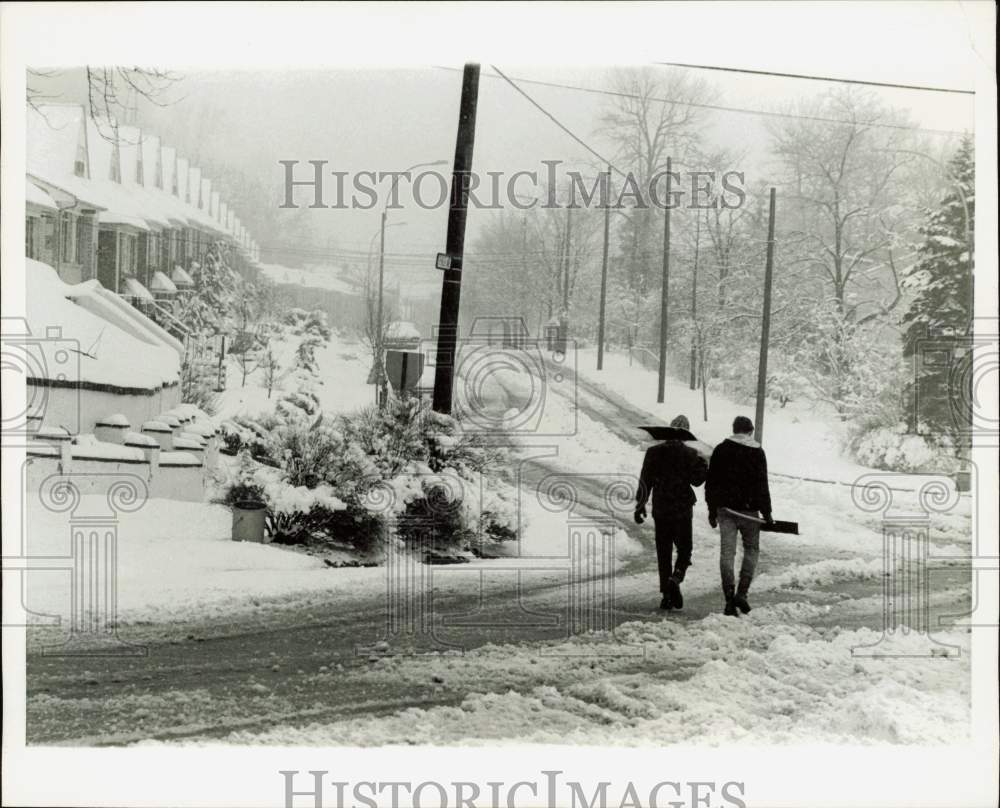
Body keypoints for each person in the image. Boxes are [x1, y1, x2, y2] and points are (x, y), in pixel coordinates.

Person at [634, 415, 709, 610]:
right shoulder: (691, 454)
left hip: (661, 506)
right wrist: (704, 466)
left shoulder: (653, 452)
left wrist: (640, 505)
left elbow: (645, 480)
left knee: (663, 550)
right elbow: (697, 481)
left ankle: (666, 595)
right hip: (683, 507)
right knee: (685, 548)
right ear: (686, 434)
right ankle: (676, 577)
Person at [705, 415, 773, 617]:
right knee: (752, 550)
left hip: (726, 511)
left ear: (734, 429)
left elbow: (711, 483)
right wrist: (767, 512)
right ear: (750, 431)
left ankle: (729, 599)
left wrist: (711, 509)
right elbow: (762, 484)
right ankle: (742, 593)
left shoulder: (720, 449)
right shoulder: (757, 452)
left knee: (727, 554)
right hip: (751, 512)